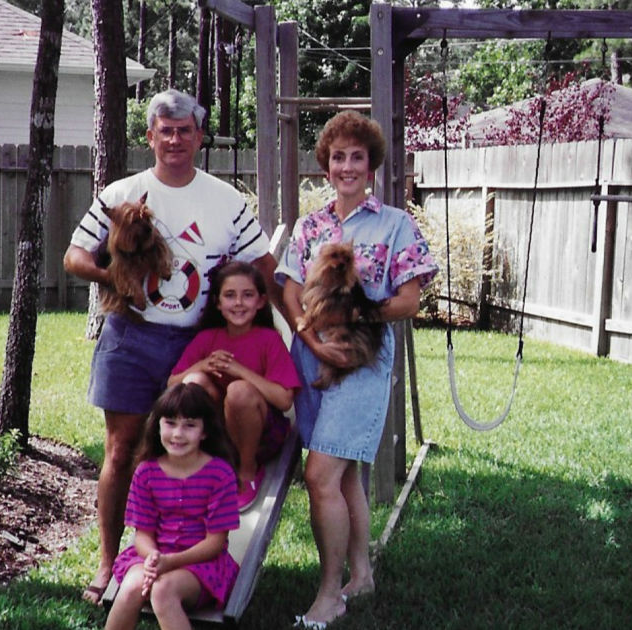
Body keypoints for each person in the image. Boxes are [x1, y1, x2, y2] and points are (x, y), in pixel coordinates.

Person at [63, 89, 277, 604]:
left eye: (185, 131)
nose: (175, 139)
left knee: (186, 454)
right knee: (122, 452)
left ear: (199, 137)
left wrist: (286, 327)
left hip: (196, 342)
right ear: (150, 135)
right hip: (130, 339)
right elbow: (73, 257)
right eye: (166, 130)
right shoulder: (123, 193)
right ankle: (110, 565)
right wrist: (113, 277)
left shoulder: (226, 200)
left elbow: (265, 270)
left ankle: (188, 563)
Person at [275, 110, 438, 628]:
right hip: (313, 356)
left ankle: (329, 595)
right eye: (338, 157)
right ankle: (361, 574)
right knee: (345, 478)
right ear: (326, 165)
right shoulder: (310, 226)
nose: (347, 166)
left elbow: (408, 302)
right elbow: (289, 287)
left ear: (372, 167)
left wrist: (351, 317)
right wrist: (309, 335)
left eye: (357, 157)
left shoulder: (395, 224)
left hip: (362, 361)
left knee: (320, 474)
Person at [104, 382, 241, 630]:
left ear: (205, 432)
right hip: (153, 557)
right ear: (157, 426)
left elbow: (215, 543)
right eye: (170, 423)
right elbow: (142, 535)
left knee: (162, 590)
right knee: (131, 586)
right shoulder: (146, 473)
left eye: (189, 425)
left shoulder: (220, 474)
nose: (178, 434)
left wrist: (171, 563)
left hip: (202, 565)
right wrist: (154, 558)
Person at [168, 261, 300, 511]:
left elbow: (284, 400)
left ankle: (246, 472)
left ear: (261, 301)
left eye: (247, 295)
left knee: (239, 391)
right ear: (218, 303)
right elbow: (173, 383)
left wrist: (239, 371)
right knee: (193, 383)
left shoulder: (269, 339)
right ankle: (201, 466)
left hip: (261, 436)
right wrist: (203, 365)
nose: (238, 303)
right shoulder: (208, 338)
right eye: (230, 295)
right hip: (220, 436)